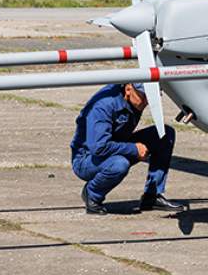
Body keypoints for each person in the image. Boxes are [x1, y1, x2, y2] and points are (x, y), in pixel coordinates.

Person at [71, 82, 184, 215]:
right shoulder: (104, 105)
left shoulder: (132, 98)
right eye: (144, 96)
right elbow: (98, 147)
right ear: (129, 88)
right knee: (119, 164)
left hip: (115, 146)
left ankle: (152, 196)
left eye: (151, 97)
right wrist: (134, 149)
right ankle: (92, 194)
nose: (147, 102)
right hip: (87, 160)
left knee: (165, 135)